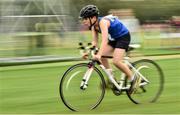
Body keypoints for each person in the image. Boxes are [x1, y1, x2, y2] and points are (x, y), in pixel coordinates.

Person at [79, 5, 138, 94]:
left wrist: (98, 54)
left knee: (116, 61)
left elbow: (105, 40)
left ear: (94, 18)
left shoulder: (103, 22)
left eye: (85, 19)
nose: (84, 21)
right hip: (114, 39)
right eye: (83, 19)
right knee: (102, 56)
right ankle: (112, 79)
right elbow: (94, 43)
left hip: (123, 37)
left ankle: (133, 79)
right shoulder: (93, 26)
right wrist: (87, 52)